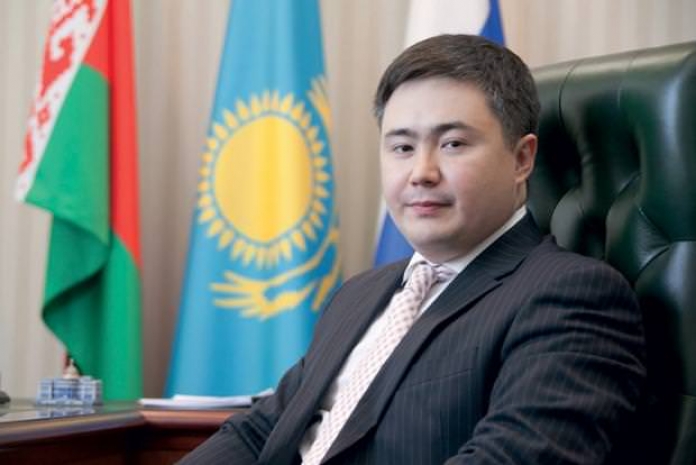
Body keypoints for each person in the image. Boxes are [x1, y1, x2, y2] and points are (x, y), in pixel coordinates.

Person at [179, 34, 646, 464]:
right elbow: (260, 431)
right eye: (402, 148)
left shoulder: (572, 295)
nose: (422, 172)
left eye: (453, 143)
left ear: (522, 158)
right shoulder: (359, 295)